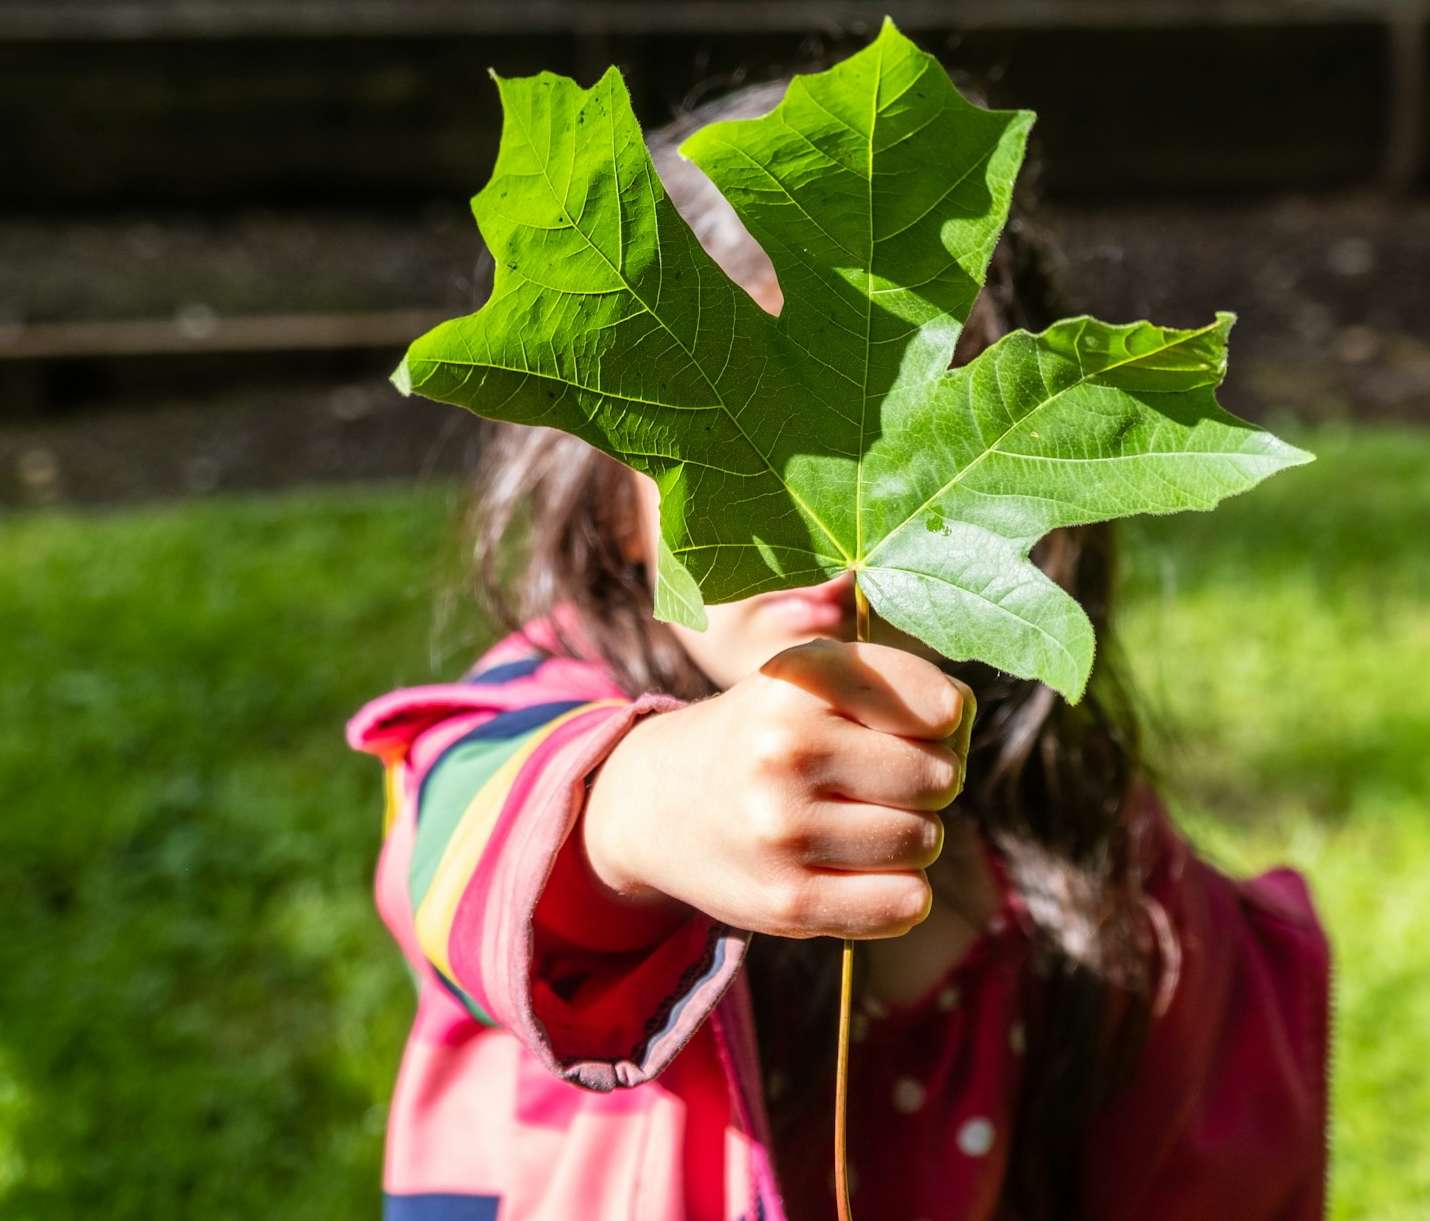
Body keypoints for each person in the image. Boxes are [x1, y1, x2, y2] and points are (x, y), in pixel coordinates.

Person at [348, 81, 1330, 1221]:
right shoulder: (535, 720)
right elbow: (463, 837)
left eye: (899, 447)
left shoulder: (1089, 848)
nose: (822, 516)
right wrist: (645, 809)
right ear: (613, 499)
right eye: (743, 451)